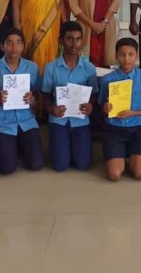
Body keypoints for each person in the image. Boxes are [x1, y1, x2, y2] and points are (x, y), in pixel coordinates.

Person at [0, 28, 43, 174]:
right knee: (7, 169)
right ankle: (6, 146)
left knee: (36, 164)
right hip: (4, 122)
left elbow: (38, 94)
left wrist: (32, 99)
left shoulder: (32, 68)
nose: (14, 47)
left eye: (18, 43)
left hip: (27, 121)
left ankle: (19, 145)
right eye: (9, 43)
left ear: (23, 46)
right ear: (2, 46)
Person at [99, 38, 141, 181]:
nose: (126, 59)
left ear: (137, 55)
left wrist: (134, 113)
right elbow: (102, 107)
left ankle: (134, 155)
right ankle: (120, 157)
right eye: (122, 54)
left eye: (131, 54)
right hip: (114, 129)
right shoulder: (107, 79)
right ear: (116, 55)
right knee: (114, 175)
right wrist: (105, 108)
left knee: (140, 174)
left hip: (138, 130)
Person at [41, 21, 99, 172]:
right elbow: (45, 94)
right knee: (60, 166)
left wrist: (90, 105)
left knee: (82, 165)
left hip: (81, 120)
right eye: (70, 38)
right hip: (58, 120)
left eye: (78, 39)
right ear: (61, 40)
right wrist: (51, 109)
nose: (75, 43)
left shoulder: (89, 68)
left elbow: (94, 93)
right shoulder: (51, 68)